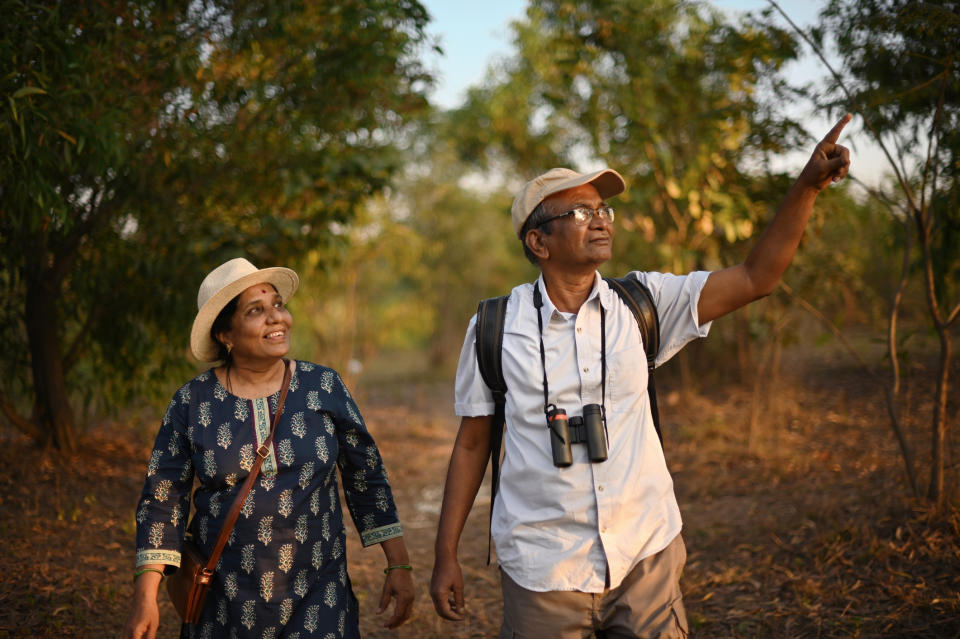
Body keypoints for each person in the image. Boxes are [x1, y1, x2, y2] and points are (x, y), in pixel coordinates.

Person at [430, 115, 852, 637]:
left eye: (604, 209)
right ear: (538, 243)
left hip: (645, 556)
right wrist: (445, 553)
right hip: (543, 569)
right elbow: (473, 444)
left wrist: (807, 188)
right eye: (581, 211)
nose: (603, 220)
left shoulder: (644, 303)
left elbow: (755, 277)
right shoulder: (495, 327)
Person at [124, 257, 415, 639]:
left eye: (278, 304)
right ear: (225, 334)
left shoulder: (322, 387)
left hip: (319, 592)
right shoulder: (192, 402)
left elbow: (367, 478)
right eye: (256, 311)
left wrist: (398, 565)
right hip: (225, 599)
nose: (276, 317)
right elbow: (163, 500)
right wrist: (145, 597)